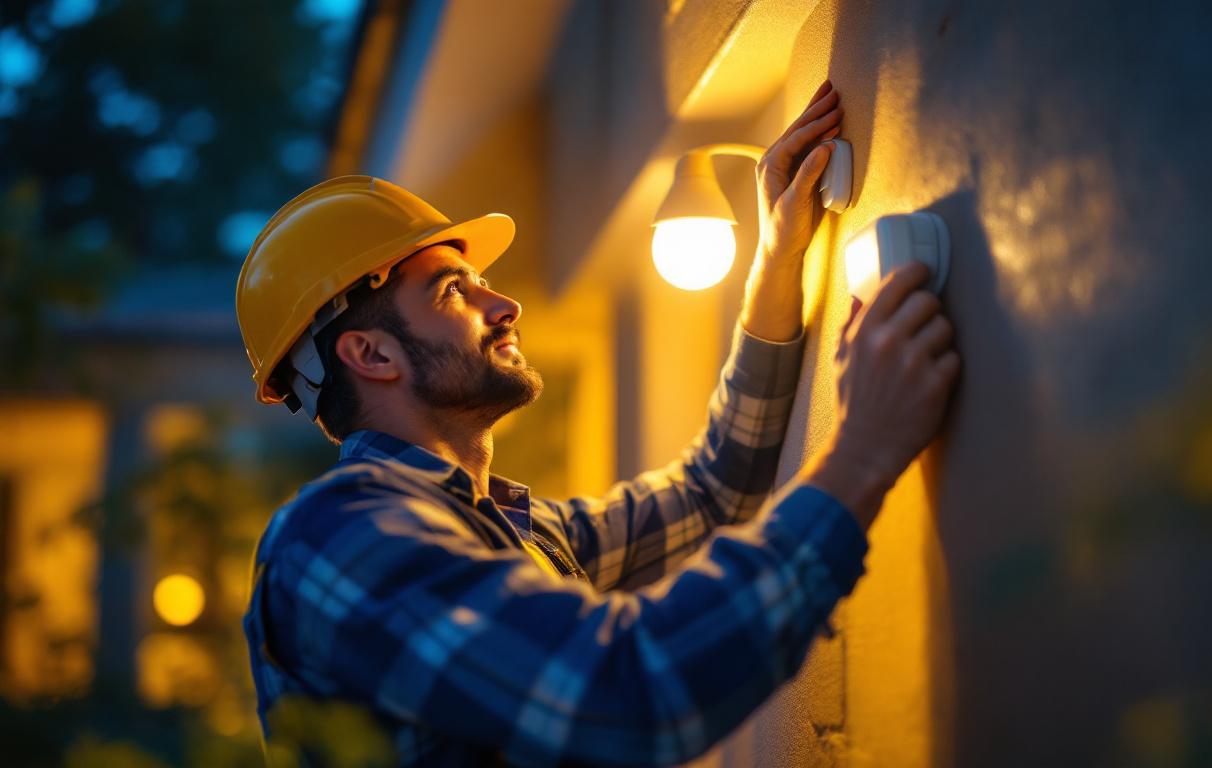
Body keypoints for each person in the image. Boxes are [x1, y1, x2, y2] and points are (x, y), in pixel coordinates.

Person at [237, 81, 959, 767]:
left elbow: (715, 490)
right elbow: (627, 694)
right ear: (371, 353)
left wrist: (777, 261)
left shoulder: (515, 530)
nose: (503, 305)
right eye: (455, 291)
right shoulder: (337, 541)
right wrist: (861, 452)